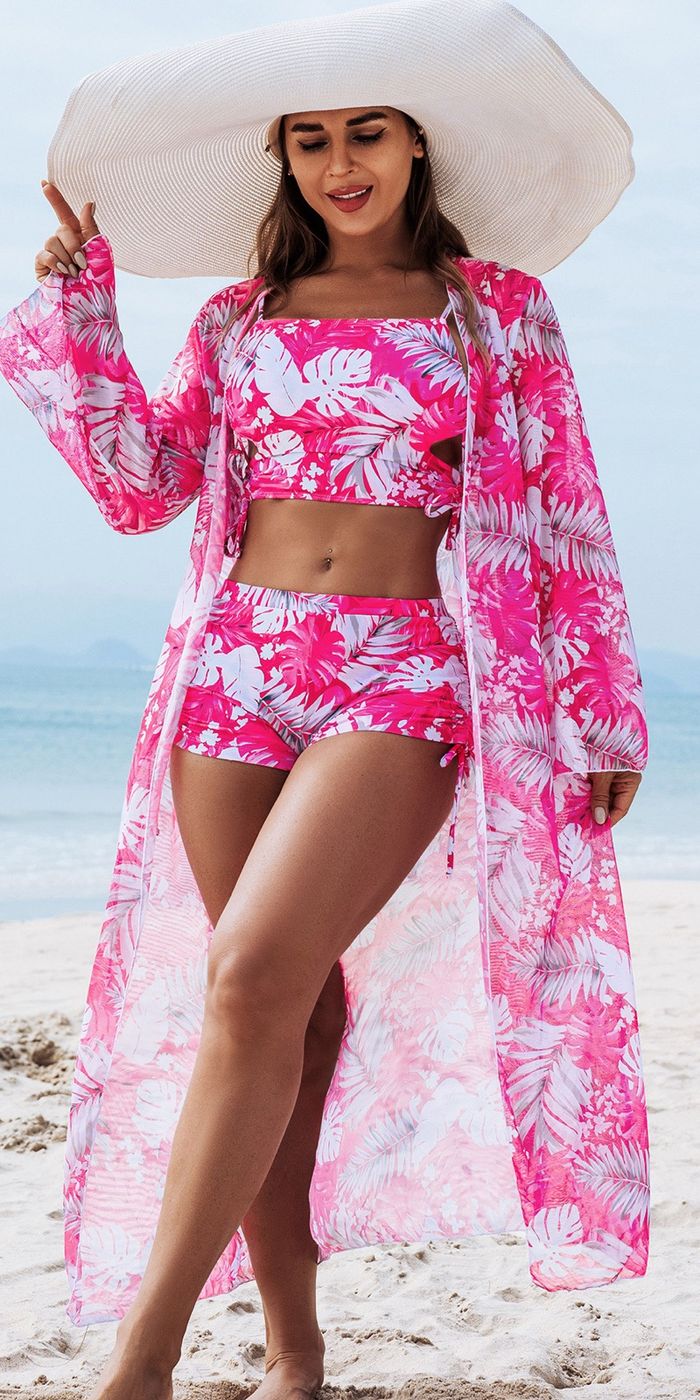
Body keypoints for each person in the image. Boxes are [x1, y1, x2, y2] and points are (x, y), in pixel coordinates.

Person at [0, 4, 650, 1398]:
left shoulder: (498, 312)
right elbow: (143, 487)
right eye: (310, 140)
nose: (340, 164)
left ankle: (143, 1363)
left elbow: (565, 514)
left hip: (402, 673)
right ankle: (295, 1359)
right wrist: (81, 317)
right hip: (234, 668)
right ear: (283, 160)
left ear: (418, 147)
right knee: (285, 1016)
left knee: (247, 972)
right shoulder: (237, 317)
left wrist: (603, 706)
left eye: (366, 134)